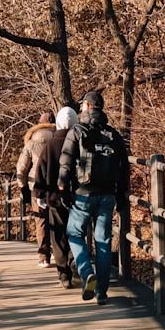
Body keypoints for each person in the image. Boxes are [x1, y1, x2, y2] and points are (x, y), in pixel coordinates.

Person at [58, 90, 129, 304]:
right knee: (103, 242)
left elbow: (66, 161)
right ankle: (102, 292)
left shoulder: (76, 131)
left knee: (74, 233)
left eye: (82, 106)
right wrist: (122, 195)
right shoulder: (113, 135)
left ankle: (87, 271)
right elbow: (124, 168)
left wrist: (62, 185)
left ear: (88, 107)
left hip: (83, 194)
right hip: (108, 196)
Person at [35, 106, 78, 288]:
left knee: (58, 234)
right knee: (75, 232)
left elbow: (41, 169)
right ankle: (74, 262)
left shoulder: (50, 144)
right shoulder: (78, 141)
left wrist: (40, 194)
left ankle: (63, 274)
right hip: (76, 197)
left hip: (54, 197)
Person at [17, 110, 56, 267]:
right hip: (55, 186)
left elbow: (21, 168)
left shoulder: (31, 142)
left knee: (41, 221)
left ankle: (43, 257)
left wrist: (23, 187)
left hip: (36, 186)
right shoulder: (61, 138)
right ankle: (57, 251)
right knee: (57, 219)